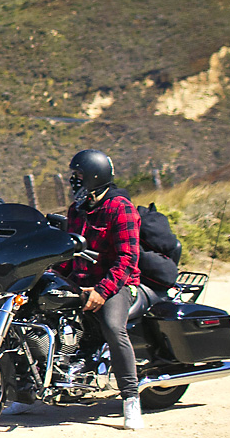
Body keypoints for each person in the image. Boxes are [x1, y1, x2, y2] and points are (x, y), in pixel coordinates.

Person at [54, 149, 145, 429]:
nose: (74, 182)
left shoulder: (120, 208)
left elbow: (127, 259)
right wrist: (50, 273)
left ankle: (130, 399)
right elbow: (70, 254)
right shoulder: (76, 210)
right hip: (82, 280)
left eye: (78, 176)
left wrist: (102, 291)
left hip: (117, 284)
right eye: (73, 176)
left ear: (95, 177)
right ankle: (26, 391)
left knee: (112, 326)